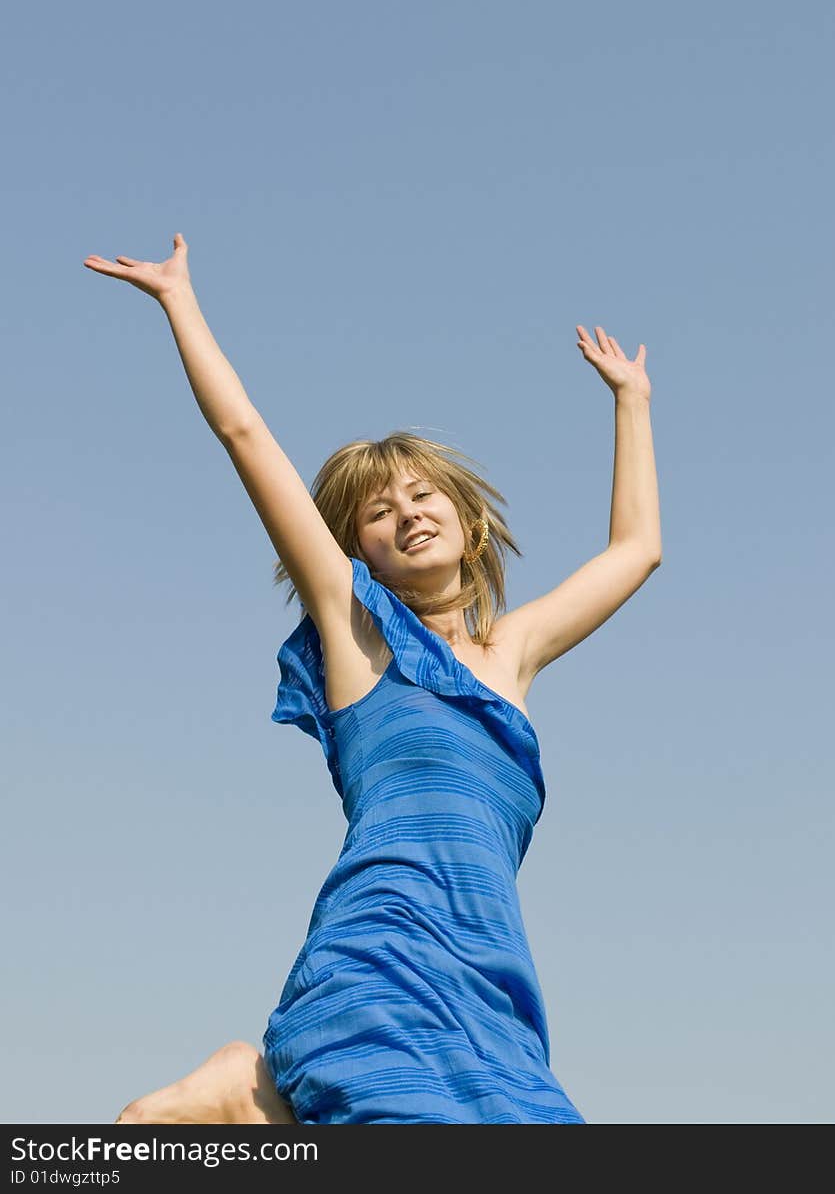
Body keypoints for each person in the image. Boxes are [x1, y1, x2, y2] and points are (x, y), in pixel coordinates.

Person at [84, 234, 661, 1124]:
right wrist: (180, 302)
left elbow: (637, 549)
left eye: (423, 495)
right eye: (380, 513)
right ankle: (247, 1101)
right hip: (383, 957)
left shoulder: (512, 658)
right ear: (365, 557)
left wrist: (633, 400)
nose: (406, 514)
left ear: (467, 522)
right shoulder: (361, 645)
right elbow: (243, 433)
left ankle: (253, 1102)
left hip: (495, 986)